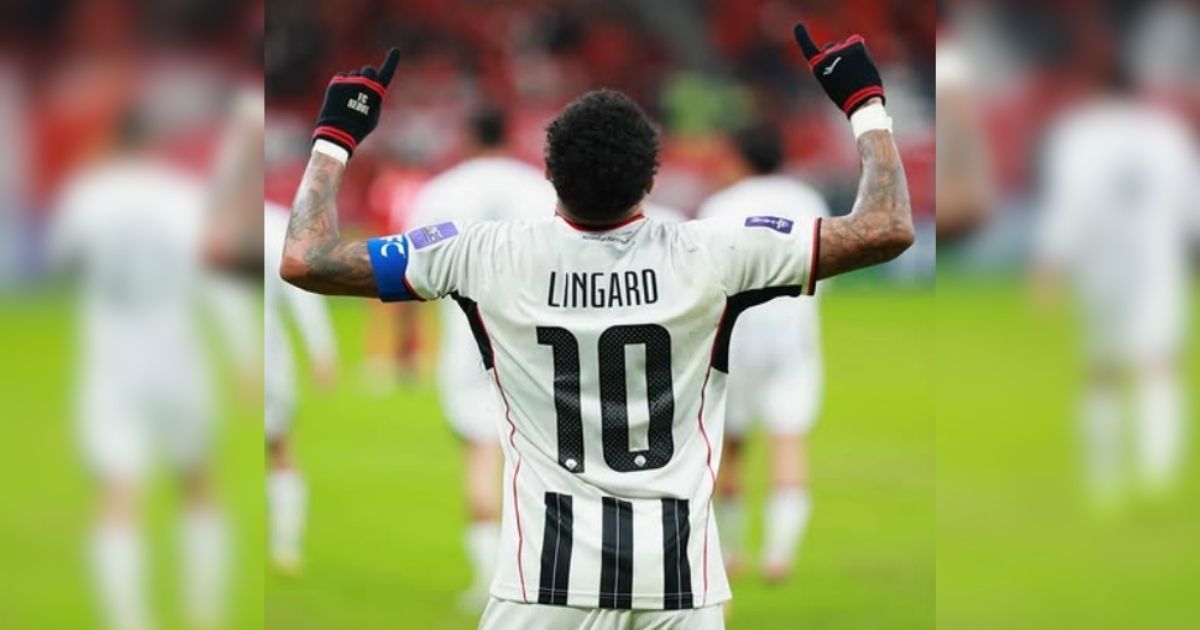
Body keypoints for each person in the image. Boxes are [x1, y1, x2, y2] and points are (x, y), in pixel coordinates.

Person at [280, 23, 913, 629]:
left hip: (544, 587)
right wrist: (865, 105)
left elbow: (307, 259)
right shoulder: (712, 253)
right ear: (652, 178)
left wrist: (335, 138)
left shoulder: (484, 254)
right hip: (679, 587)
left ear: (548, 173)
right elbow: (885, 227)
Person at [49, 111, 239, 630]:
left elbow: (63, 262)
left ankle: (128, 620)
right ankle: (204, 611)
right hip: (176, 355)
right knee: (197, 481)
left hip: (112, 360)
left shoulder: (87, 198)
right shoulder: (183, 197)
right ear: (155, 144)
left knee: (117, 490)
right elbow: (216, 280)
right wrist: (243, 356)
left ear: (112, 144)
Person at [406, 107, 557, 610]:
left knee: (480, 453)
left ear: (468, 135)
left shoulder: (440, 191)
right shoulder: (538, 187)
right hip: (536, 340)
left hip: (467, 338)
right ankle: (536, 575)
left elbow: (409, 269)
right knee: (537, 462)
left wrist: (410, 344)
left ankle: (487, 580)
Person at [1031, 69, 1198, 508]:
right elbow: (1191, 204)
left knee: (1101, 371)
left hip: (1101, 268)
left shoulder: (1078, 136)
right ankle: (1159, 477)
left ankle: (1103, 479)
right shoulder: (1167, 134)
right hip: (1156, 265)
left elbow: (1067, 206)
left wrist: (1049, 267)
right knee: (1159, 365)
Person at [698, 124, 828, 582]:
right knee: (788, 440)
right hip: (793, 335)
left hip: (735, 338)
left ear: (738, 158)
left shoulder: (721, 206)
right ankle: (779, 554)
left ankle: (731, 552)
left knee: (729, 447)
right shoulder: (807, 201)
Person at [264, 201, 338, 573]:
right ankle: (285, 545)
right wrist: (321, 350)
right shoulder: (276, 223)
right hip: (266, 357)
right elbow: (302, 290)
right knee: (279, 448)